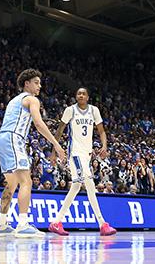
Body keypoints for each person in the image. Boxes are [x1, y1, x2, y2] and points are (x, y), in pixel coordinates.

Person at [0, 69, 65, 238]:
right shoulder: (32, 99)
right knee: (27, 181)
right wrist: (56, 145)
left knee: (11, 184)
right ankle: (23, 224)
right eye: (37, 82)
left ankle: (2, 224)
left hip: (3, 139)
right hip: (13, 139)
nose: (40, 86)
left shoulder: (13, 101)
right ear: (27, 84)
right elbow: (38, 124)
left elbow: (5, 125)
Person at [47, 87, 116, 236]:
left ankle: (56, 222)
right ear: (75, 96)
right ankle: (102, 224)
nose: (81, 95)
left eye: (84, 93)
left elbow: (102, 131)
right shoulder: (70, 110)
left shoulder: (94, 110)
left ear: (88, 97)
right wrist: (54, 152)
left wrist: (104, 145)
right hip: (75, 153)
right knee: (89, 184)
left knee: (77, 186)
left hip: (87, 155)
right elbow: (59, 131)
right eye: (78, 93)